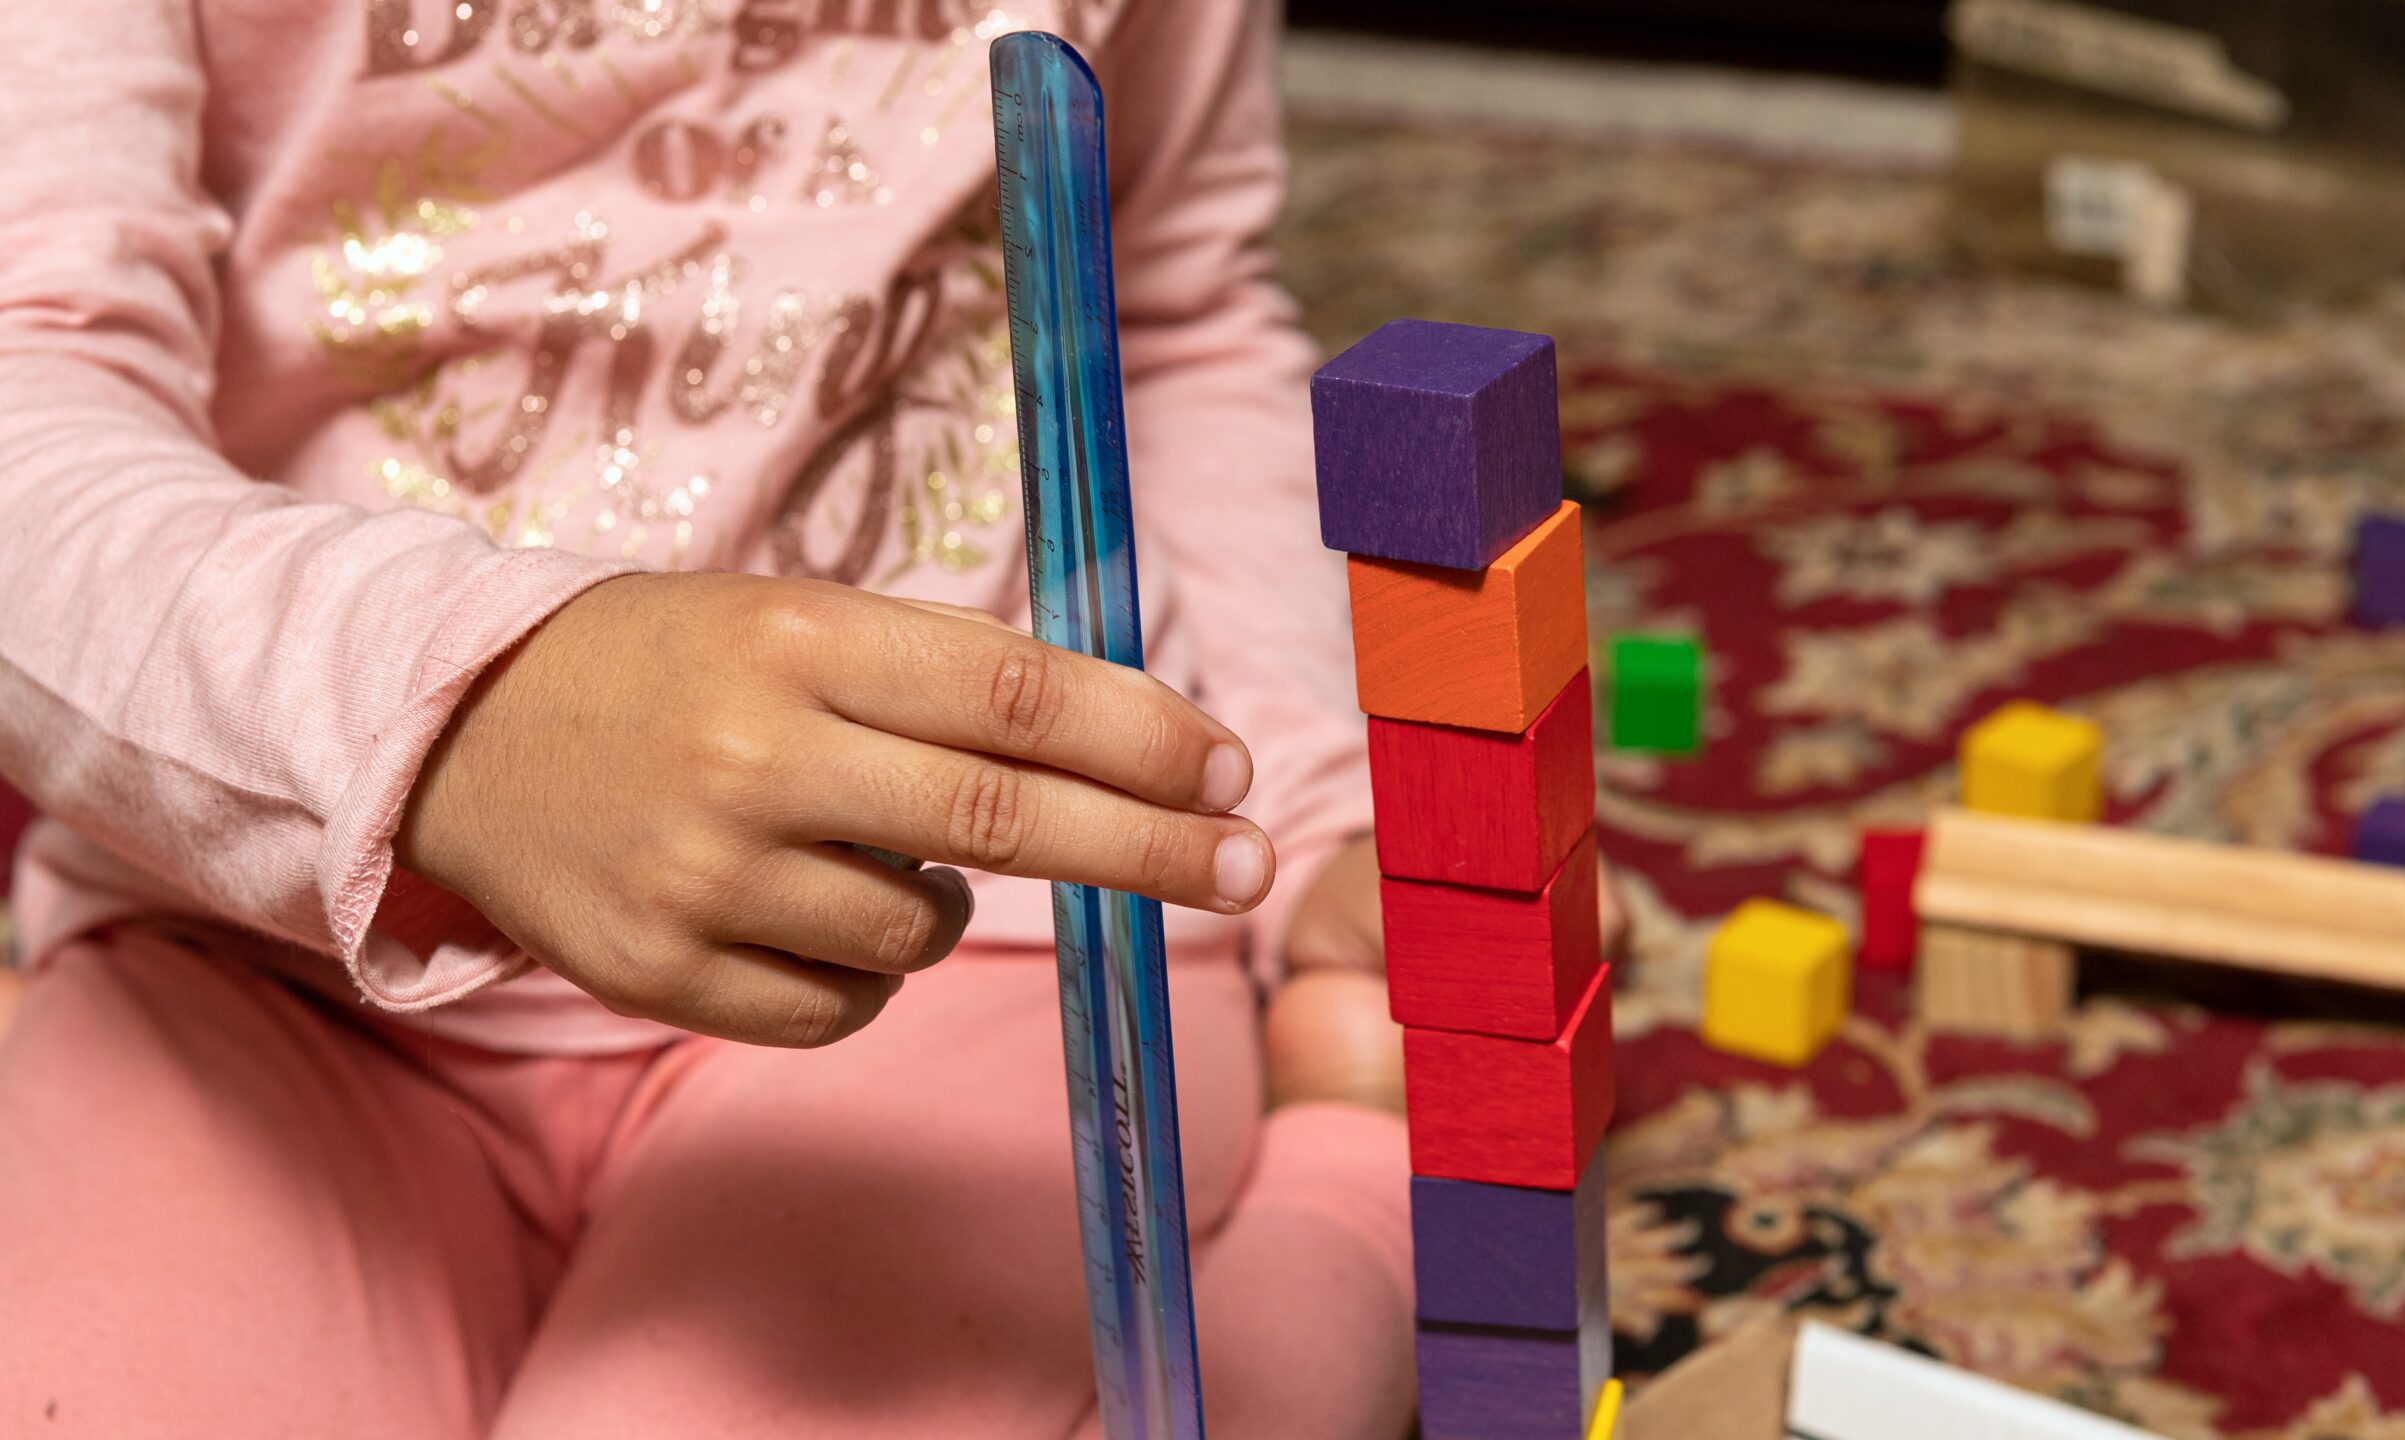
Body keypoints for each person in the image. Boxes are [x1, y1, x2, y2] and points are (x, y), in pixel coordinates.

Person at [0, 1, 1431, 1433]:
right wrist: (468, 717)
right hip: (254, 955)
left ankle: (1358, 1175)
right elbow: (29, 392)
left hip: (976, 925)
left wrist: (1302, 811)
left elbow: (1168, 318)